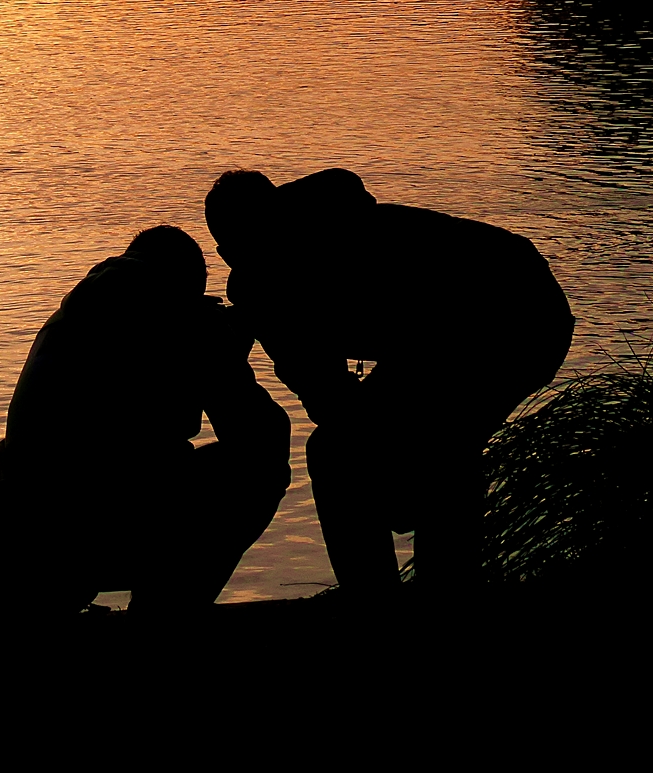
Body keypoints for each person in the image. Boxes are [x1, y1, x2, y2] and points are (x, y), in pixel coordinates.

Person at [203, 168, 574, 597]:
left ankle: (402, 596)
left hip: (517, 316)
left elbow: (340, 400)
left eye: (255, 238)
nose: (250, 255)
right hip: (461, 327)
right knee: (382, 453)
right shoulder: (281, 265)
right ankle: (407, 589)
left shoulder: (319, 253)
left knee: (386, 451)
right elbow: (336, 399)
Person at [0, 225, 291, 623]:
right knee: (260, 468)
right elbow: (259, 433)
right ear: (190, 285)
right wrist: (228, 354)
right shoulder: (184, 315)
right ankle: (164, 616)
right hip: (95, 527)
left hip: (7, 521)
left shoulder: (71, 316)